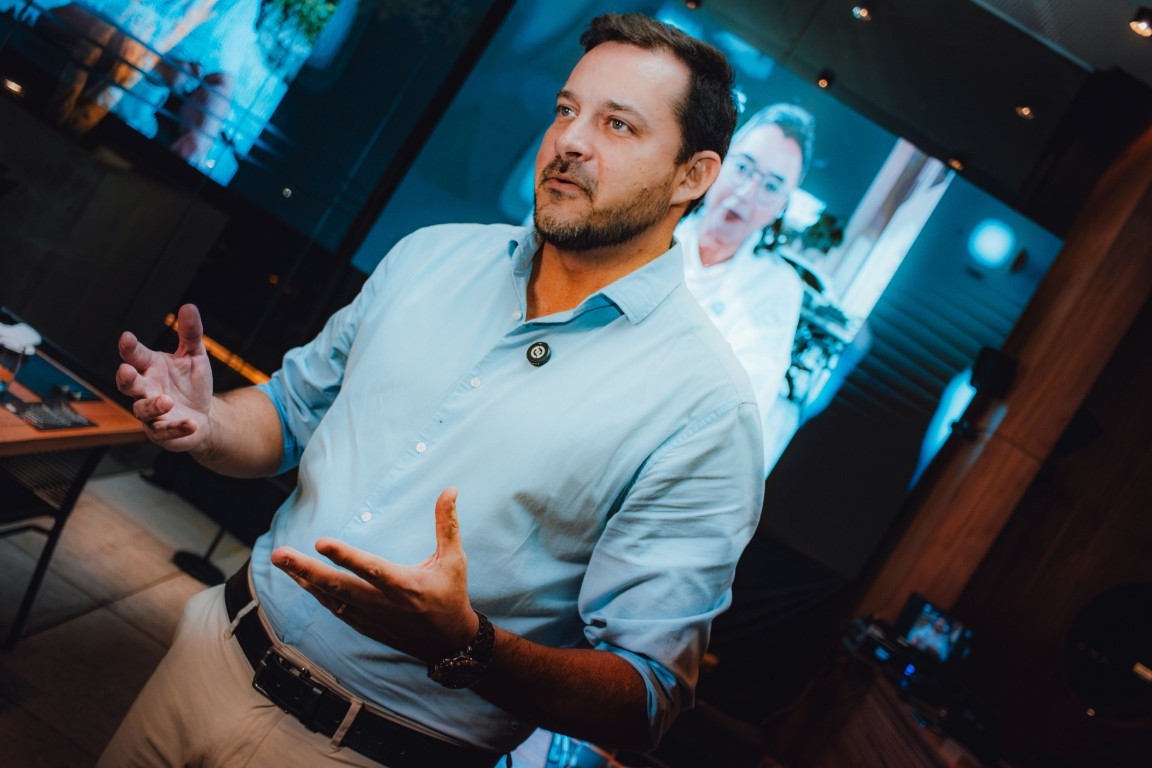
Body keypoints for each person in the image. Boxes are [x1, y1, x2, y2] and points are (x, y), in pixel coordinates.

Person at [101, 13, 764, 767]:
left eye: (618, 124)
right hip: (214, 653)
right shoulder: (431, 256)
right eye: (566, 110)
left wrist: (469, 646)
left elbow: (644, 696)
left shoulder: (706, 407)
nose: (571, 141)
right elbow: (290, 414)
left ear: (693, 176)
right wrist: (208, 420)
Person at [674, 103, 816, 476]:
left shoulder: (775, 288)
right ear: (720, 163)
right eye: (743, 168)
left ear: (781, 206)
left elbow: (739, 407)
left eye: (770, 186)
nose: (747, 192)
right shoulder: (655, 227)